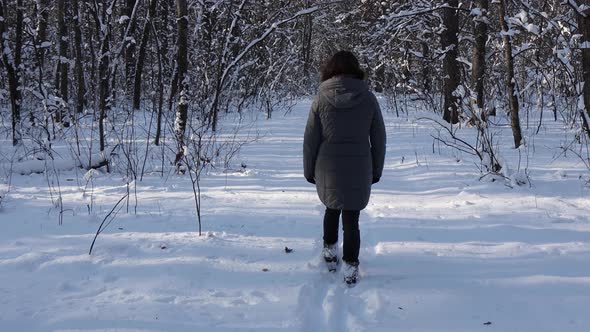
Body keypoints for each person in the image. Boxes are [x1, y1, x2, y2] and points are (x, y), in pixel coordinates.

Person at [303, 51, 386, 285]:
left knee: (331, 207)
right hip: (359, 164)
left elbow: (311, 139)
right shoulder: (368, 98)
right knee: (352, 216)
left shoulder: (320, 99)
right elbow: (379, 137)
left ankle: (329, 252)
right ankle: (350, 264)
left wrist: (309, 170)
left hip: (328, 165)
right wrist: (376, 169)